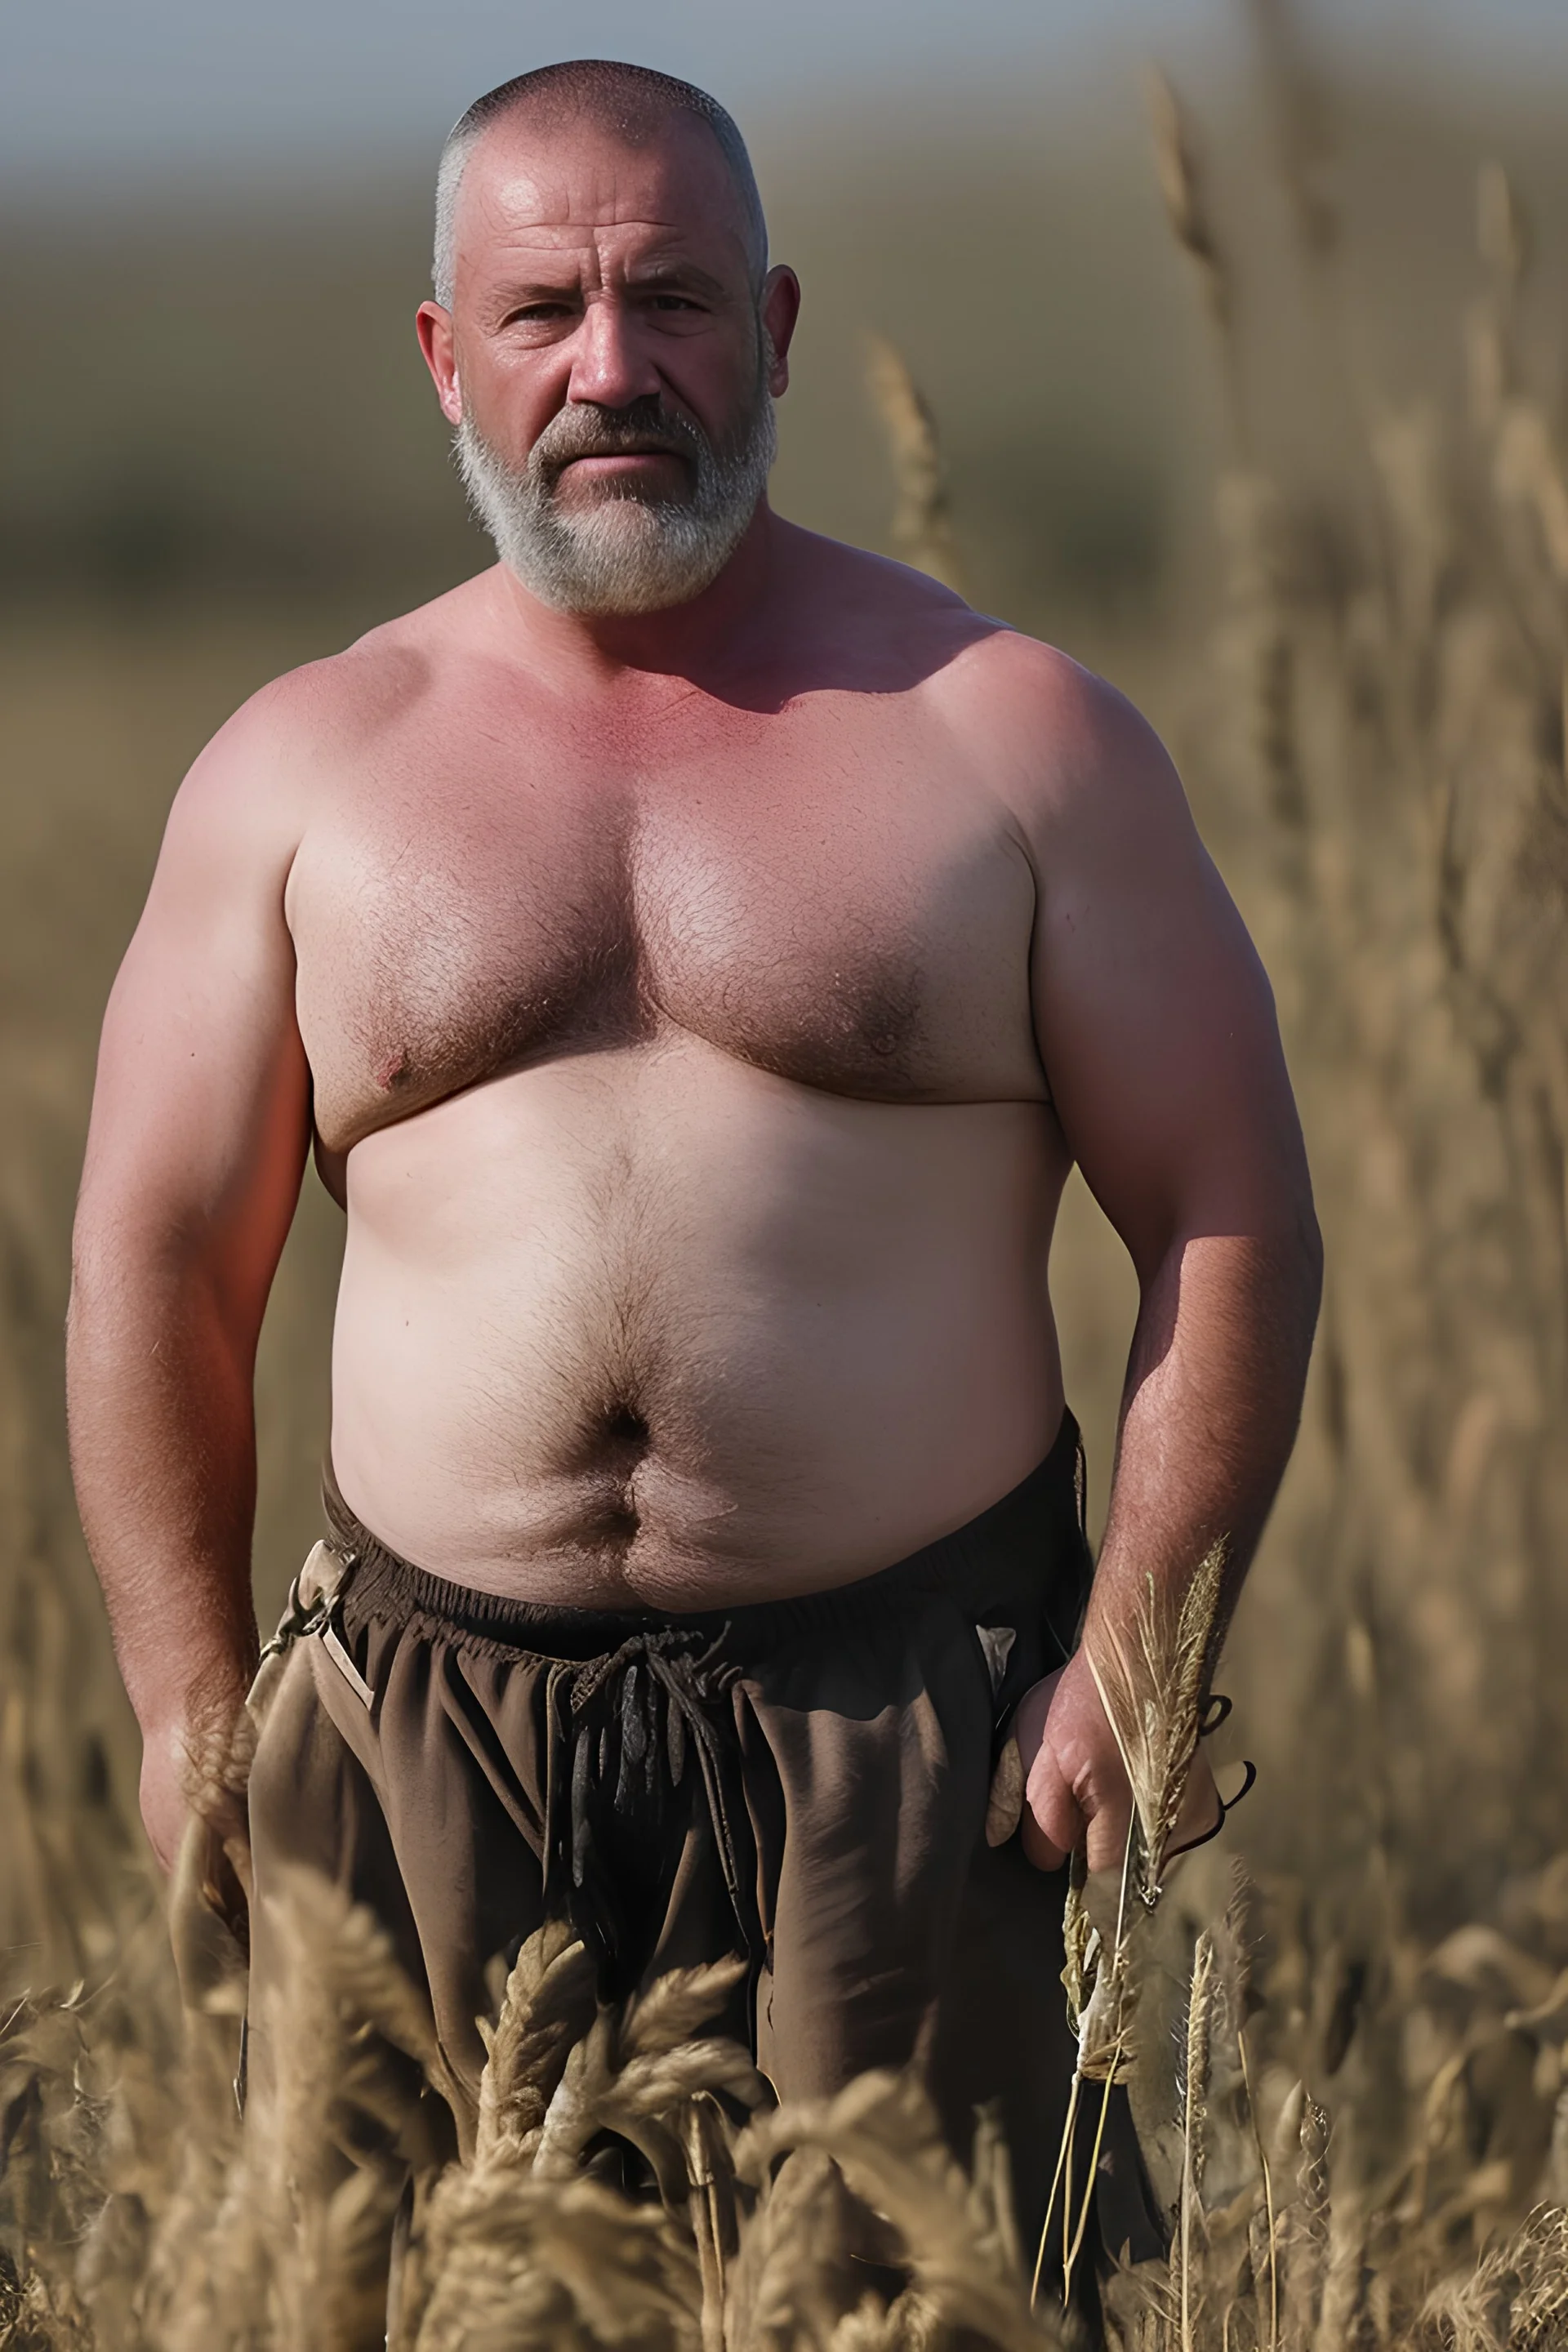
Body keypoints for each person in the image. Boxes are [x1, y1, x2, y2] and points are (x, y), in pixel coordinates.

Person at [66, 57, 1321, 2266]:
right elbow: (161, 1269)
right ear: (447, 357)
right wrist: (187, 1707)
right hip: (415, 1750)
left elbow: (1231, 1215)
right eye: (544, 309)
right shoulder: (301, 770)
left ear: (781, 325)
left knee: (925, 2313)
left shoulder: (1007, 736)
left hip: (906, 1745)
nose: (614, 367)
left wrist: (1135, 1647)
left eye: (678, 300)